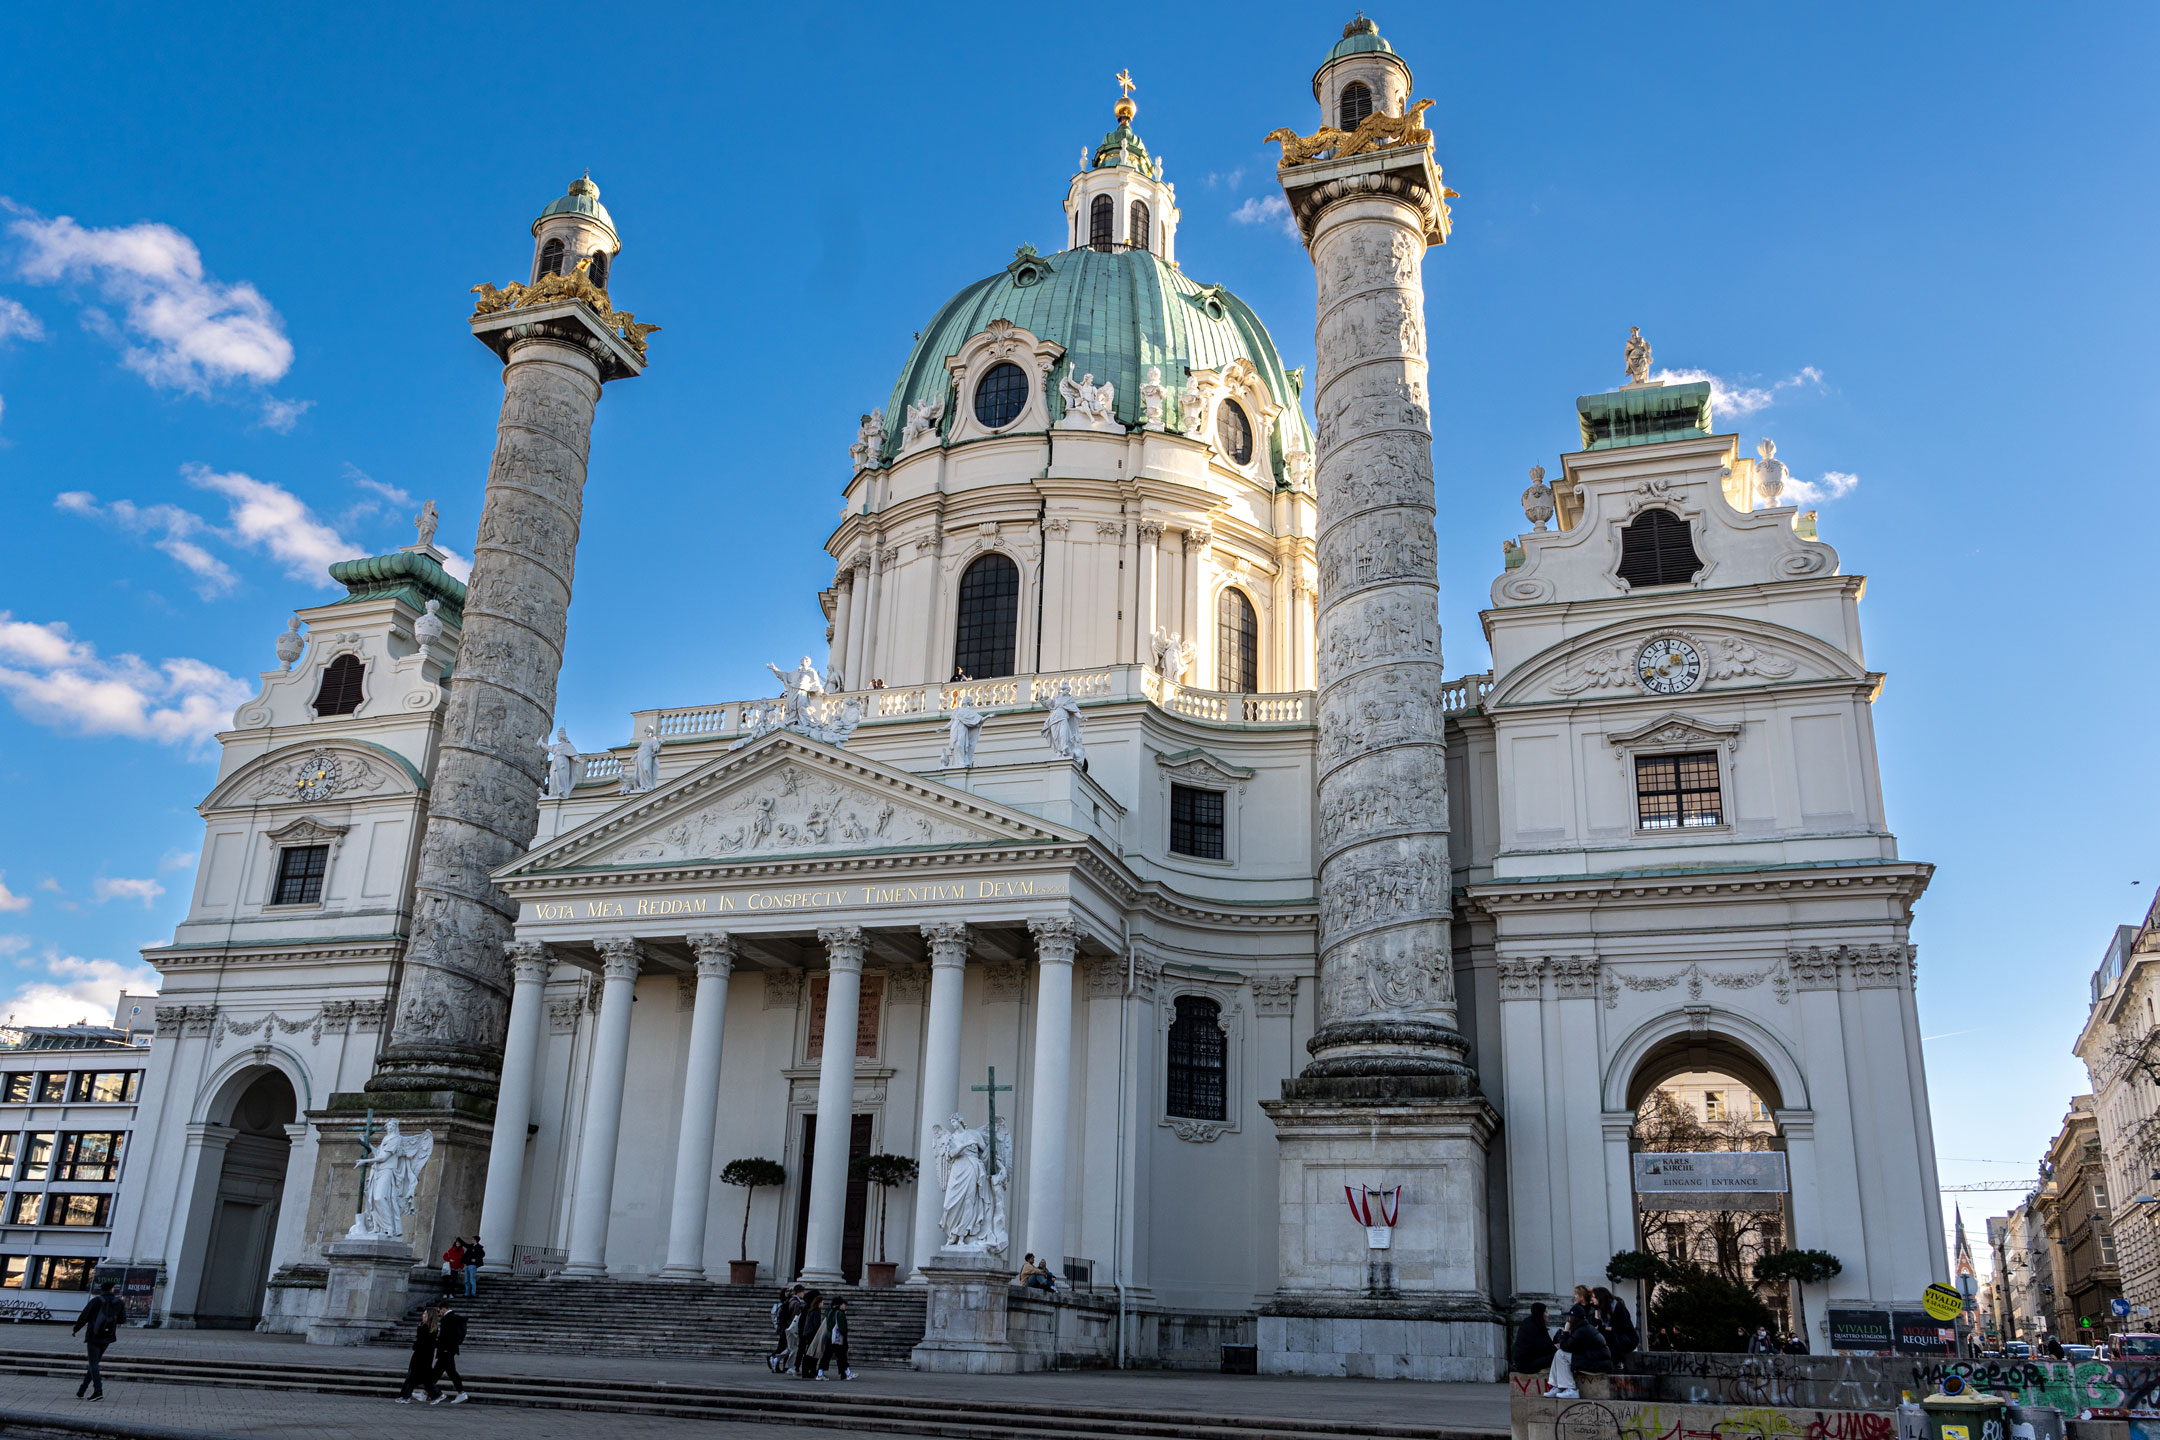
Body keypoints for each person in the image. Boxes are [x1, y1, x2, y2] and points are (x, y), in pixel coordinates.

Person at [71, 1281, 125, 1402]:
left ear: (102, 1289)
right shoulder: (119, 1303)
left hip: (93, 1335)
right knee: (94, 1362)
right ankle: (82, 1390)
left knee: (93, 1363)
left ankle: (98, 1390)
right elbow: (122, 1320)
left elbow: (84, 1316)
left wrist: (76, 1329)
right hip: (108, 1336)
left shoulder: (95, 1301)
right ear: (112, 1289)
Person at [397, 1305, 440, 1404]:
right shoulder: (429, 1328)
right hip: (424, 1355)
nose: (423, 1315)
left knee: (413, 1376)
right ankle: (405, 1396)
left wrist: (415, 1345)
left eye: (425, 1313)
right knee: (418, 1377)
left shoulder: (425, 1327)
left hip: (421, 1355)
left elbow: (422, 1342)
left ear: (429, 1316)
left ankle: (405, 1396)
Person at [430, 1299, 471, 1404]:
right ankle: (427, 1392)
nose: (439, 1313)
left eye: (439, 1311)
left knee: (440, 1371)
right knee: (445, 1371)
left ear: (444, 1309)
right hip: (450, 1349)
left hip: (446, 1350)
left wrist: (438, 1345)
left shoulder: (447, 1319)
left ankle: (461, 1393)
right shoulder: (455, 1318)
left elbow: (444, 1336)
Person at [1594, 1285, 1638, 1366]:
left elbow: (1619, 1327)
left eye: (1594, 1297)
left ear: (1599, 1297)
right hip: (1617, 1337)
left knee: (1606, 1336)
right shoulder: (1600, 1309)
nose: (1592, 1299)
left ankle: (1615, 1363)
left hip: (1627, 1339)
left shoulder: (1617, 1307)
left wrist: (1604, 1328)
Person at [1511, 1301, 1557, 1376]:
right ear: (1540, 1313)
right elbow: (1546, 1347)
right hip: (1528, 1364)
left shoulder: (1529, 1323)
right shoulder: (1536, 1327)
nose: (1548, 1315)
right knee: (1558, 1356)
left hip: (1523, 1362)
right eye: (1546, 1312)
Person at [820, 1297, 856, 1381]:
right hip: (837, 1339)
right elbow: (842, 1328)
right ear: (840, 1305)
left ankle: (820, 1373)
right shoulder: (840, 1314)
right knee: (842, 1356)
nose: (844, 1306)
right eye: (843, 1304)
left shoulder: (828, 1311)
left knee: (826, 1356)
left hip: (829, 1337)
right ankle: (848, 1373)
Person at [770, 1285, 802, 1372]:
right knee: (791, 1348)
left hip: (786, 1327)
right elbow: (795, 1318)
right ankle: (786, 1365)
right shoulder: (795, 1303)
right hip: (790, 1328)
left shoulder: (788, 1302)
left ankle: (778, 1360)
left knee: (788, 1348)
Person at [794, 1289, 825, 1379]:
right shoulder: (813, 1310)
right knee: (809, 1353)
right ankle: (806, 1369)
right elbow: (814, 1325)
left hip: (806, 1333)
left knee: (808, 1353)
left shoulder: (809, 1308)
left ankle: (807, 1369)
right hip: (809, 1334)